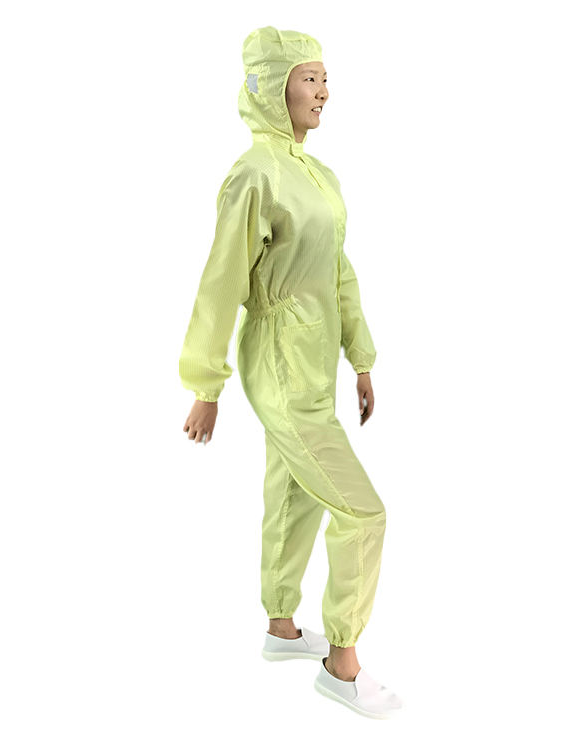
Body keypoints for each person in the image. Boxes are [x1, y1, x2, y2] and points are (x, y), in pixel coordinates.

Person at [178, 26, 402, 718]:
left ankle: (281, 626)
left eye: (325, 78)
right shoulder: (254, 174)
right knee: (363, 512)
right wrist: (206, 385)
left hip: (315, 363)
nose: (323, 91)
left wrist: (360, 358)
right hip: (278, 362)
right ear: (273, 89)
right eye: (309, 78)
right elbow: (221, 281)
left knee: (295, 486)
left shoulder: (319, 176)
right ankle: (342, 662)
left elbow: (338, 271)